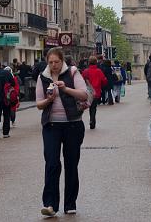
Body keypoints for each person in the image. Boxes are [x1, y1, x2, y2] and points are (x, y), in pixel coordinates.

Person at [36, 47, 88, 218]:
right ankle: (50, 204)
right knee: (51, 163)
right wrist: (48, 99)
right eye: (50, 62)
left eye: (56, 62)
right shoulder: (43, 77)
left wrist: (65, 89)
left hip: (73, 125)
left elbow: (83, 95)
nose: (53, 65)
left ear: (62, 61)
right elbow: (38, 104)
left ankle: (70, 204)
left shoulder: (72, 72)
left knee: (71, 164)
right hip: (51, 126)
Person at [81, 56, 107, 130]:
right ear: (96, 62)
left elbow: (81, 81)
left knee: (87, 106)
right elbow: (104, 80)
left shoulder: (85, 71)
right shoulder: (98, 71)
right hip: (96, 92)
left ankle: (89, 120)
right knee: (93, 108)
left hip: (87, 92)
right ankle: (92, 120)